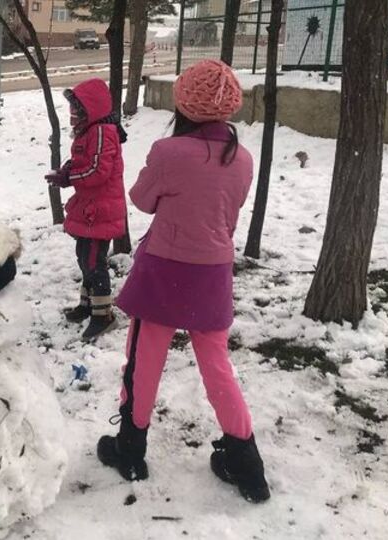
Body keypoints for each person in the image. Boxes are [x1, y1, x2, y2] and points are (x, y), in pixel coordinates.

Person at [96, 60, 270, 503]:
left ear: (183, 104)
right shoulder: (242, 158)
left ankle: (130, 450)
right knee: (218, 368)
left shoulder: (169, 152)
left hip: (165, 271)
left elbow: (141, 199)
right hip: (213, 273)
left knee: (143, 361)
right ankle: (246, 464)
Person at [46, 78, 127, 343]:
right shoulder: (90, 132)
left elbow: (98, 171)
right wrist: (67, 170)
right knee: (85, 258)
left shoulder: (103, 132)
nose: (73, 115)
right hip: (90, 208)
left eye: (78, 109)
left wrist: (70, 179)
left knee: (94, 261)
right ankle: (88, 304)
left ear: (91, 109)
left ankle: (103, 315)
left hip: (101, 210)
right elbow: (84, 160)